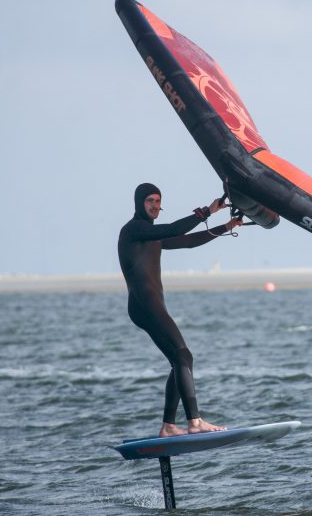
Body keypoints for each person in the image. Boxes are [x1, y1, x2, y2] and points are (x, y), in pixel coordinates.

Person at [118, 182, 242, 436]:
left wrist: (226, 227)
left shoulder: (152, 235)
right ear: (139, 203)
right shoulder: (133, 230)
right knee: (183, 356)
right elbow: (175, 227)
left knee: (180, 360)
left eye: (157, 201)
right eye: (149, 201)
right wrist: (207, 212)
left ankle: (168, 426)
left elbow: (188, 241)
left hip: (151, 304)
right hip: (144, 303)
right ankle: (194, 421)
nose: (154, 205)